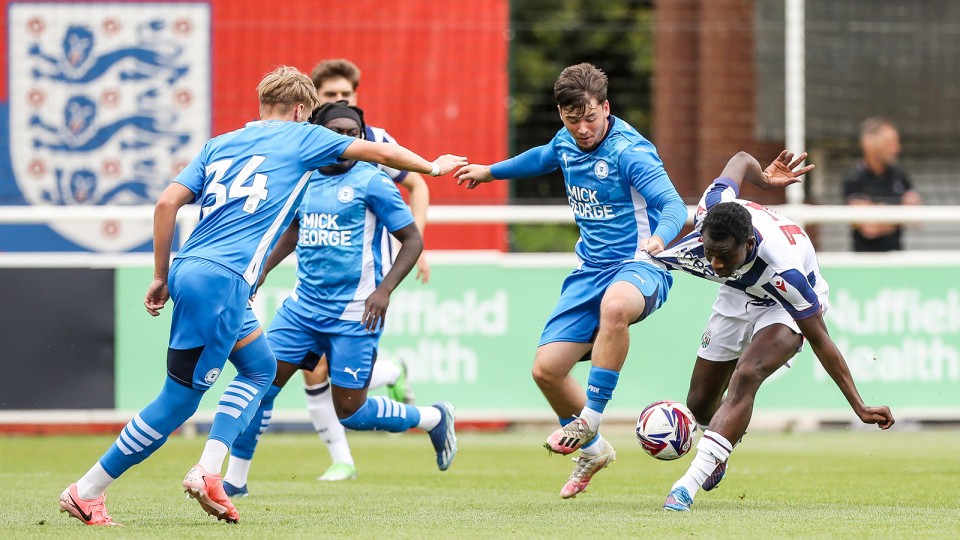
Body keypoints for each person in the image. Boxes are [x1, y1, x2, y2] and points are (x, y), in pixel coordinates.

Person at [57, 66, 466, 526]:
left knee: (260, 368)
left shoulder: (219, 143)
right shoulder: (302, 138)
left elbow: (166, 204)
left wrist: (160, 274)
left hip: (191, 269)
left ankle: (211, 472)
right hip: (225, 281)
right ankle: (87, 490)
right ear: (299, 110)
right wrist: (433, 166)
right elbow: (375, 149)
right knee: (177, 401)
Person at [454, 63, 687, 498]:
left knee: (616, 306)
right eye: (571, 119)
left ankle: (590, 420)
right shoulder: (566, 141)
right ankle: (595, 450)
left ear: (606, 107)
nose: (581, 129)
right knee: (547, 371)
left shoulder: (630, 152)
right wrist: (490, 171)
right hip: (588, 272)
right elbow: (542, 157)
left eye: (590, 118)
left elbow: (674, 207)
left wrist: (657, 239)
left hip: (641, 265)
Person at [221, 102, 457, 497]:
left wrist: (384, 290)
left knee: (351, 412)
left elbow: (412, 240)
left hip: (355, 314)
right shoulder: (305, 176)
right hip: (302, 311)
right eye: (338, 132)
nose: (347, 140)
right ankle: (236, 480)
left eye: (354, 133)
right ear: (319, 134)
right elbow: (293, 232)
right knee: (259, 382)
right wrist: (261, 269)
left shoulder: (373, 181)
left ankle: (433, 417)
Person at [654, 150, 896, 512]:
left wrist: (858, 405)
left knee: (747, 375)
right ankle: (723, 438)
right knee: (700, 403)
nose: (715, 263)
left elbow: (820, 339)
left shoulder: (786, 272)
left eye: (724, 256)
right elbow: (738, 159)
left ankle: (686, 486)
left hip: (782, 304)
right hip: (739, 294)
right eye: (710, 253)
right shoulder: (712, 209)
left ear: (749, 245)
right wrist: (765, 180)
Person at [843, 117, 922, 252]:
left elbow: (916, 216)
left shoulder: (900, 175)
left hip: (897, 260)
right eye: (890, 143)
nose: (897, 148)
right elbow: (869, 228)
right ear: (871, 144)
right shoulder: (854, 178)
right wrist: (900, 210)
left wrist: (880, 212)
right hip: (864, 263)